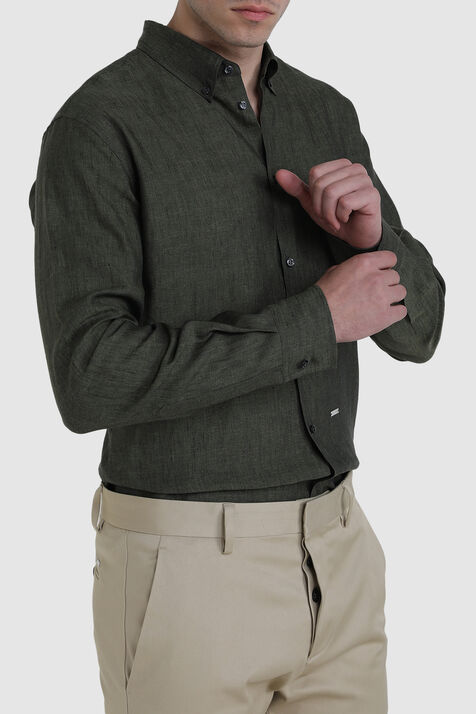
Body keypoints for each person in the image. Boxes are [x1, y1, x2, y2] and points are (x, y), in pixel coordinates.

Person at [29, 2, 446, 712]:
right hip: (186, 573)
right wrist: (316, 320)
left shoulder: (324, 111)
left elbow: (422, 334)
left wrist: (372, 241)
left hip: (340, 556)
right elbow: (89, 377)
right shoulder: (98, 123)